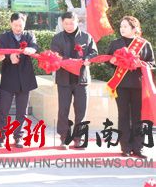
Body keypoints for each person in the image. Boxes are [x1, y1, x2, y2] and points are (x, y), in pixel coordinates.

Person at [107, 16, 154, 159]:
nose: (122, 29)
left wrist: (141, 64)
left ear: (134, 29)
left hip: (138, 86)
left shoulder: (144, 44)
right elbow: (108, 60)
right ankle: (125, 147)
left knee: (138, 117)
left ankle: (138, 147)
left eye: (125, 26)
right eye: (121, 26)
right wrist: (112, 61)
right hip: (121, 86)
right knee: (123, 116)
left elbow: (151, 63)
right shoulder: (115, 44)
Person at [50, 11, 97, 149]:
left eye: (71, 23)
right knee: (63, 110)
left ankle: (79, 138)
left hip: (81, 79)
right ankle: (64, 138)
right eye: (66, 23)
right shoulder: (57, 38)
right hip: (64, 79)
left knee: (81, 110)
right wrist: (70, 62)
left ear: (77, 22)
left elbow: (94, 52)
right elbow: (55, 55)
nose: (69, 26)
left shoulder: (86, 37)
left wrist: (88, 59)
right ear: (62, 23)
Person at [0, 12, 38, 148]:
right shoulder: (4, 37)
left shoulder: (29, 35)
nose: (18, 28)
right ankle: (1, 136)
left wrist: (31, 49)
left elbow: (35, 46)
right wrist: (9, 57)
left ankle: (18, 136)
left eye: (21, 25)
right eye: (15, 25)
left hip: (25, 78)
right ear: (11, 24)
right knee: (3, 109)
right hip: (9, 77)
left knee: (22, 111)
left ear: (24, 24)